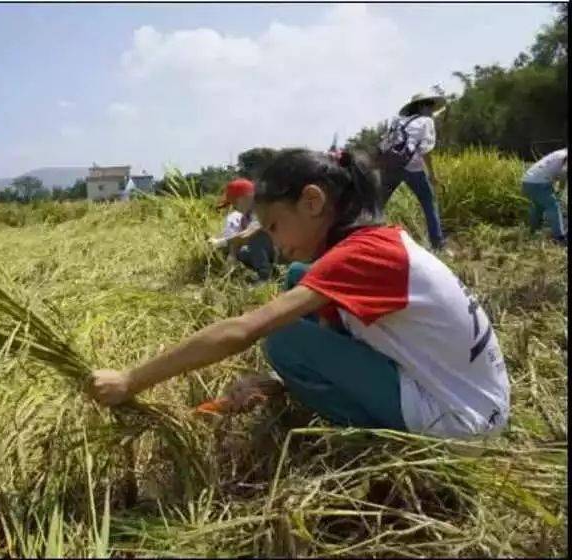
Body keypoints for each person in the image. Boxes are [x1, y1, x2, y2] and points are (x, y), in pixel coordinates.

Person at [92, 149, 509, 440]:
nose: (273, 242)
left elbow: (244, 330)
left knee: (285, 338)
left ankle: (368, 438)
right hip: (464, 398)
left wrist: (131, 380)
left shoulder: (361, 255)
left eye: (274, 226)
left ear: (312, 202)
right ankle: (308, 386)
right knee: (297, 276)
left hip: (461, 420)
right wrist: (281, 382)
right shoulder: (372, 242)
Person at [379, 91, 447, 251]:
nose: (432, 110)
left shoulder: (399, 120)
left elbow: (386, 142)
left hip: (391, 166)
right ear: (422, 106)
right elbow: (426, 150)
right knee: (429, 203)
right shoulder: (426, 121)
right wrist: (432, 175)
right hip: (413, 168)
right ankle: (438, 244)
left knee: (378, 204)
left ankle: (360, 238)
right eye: (430, 106)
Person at [208, 178, 276, 283]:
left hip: (286, 251)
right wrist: (232, 256)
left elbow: (247, 234)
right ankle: (264, 270)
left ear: (246, 197)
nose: (234, 207)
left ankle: (264, 277)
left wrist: (221, 242)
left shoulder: (262, 208)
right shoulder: (245, 217)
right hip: (271, 253)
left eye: (235, 202)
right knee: (238, 250)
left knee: (255, 237)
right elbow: (238, 241)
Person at [521, 147, 567, 245]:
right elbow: (563, 173)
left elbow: (554, 172)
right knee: (553, 206)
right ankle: (559, 238)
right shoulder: (564, 156)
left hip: (527, 181)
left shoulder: (557, 153)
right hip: (539, 183)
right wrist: (561, 190)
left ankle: (532, 232)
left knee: (538, 207)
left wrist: (556, 187)